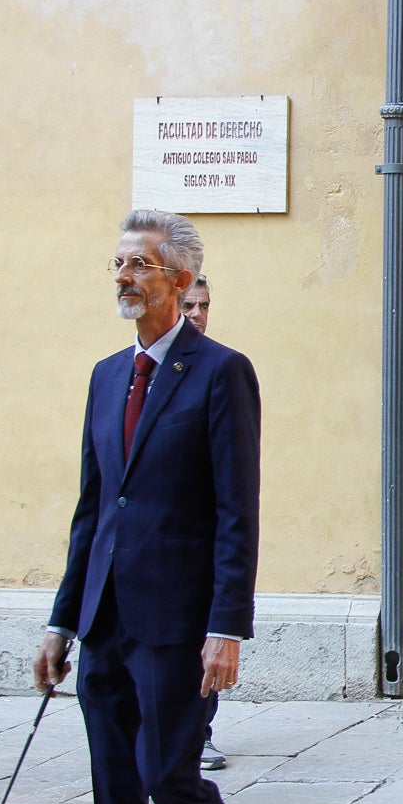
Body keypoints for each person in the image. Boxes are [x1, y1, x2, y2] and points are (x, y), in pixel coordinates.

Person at [34, 210, 293, 804]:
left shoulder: (220, 372)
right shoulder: (107, 376)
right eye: (118, 262)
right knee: (115, 780)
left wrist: (227, 626)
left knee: (166, 772)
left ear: (181, 283)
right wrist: (62, 617)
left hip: (180, 623)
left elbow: (234, 512)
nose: (124, 275)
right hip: (108, 617)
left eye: (140, 264)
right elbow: (92, 509)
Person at [179, 274, 228, 774]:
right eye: (189, 304)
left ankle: (202, 730)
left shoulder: (220, 369)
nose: (197, 313)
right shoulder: (128, 371)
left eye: (204, 305)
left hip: (202, 535)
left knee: (203, 642)